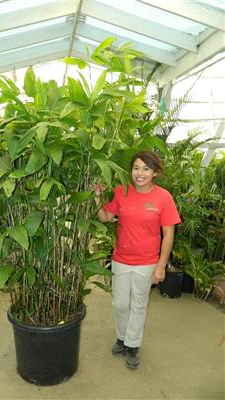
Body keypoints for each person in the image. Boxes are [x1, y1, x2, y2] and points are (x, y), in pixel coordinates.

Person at [95, 150, 181, 369]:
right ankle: (121, 337)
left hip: (147, 262)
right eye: (136, 168)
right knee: (121, 304)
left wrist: (161, 266)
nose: (139, 173)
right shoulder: (121, 191)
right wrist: (97, 196)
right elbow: (105, 217)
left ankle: (132, 345)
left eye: (145, 169)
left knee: (139, 304)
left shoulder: (163, 197)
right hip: (121, 259)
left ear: (154, 173)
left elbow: (168, 234)